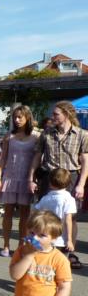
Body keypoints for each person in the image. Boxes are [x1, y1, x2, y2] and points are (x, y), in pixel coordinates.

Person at [29, 101, 88, 250]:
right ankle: (44, 249)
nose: (52, 116)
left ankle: (69, 249)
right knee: (44, 216)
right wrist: (31, 179)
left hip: (71, 177)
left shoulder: (82, 134)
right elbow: (37, 157)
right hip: (48, 177)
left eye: (56, 114)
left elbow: (85, 161)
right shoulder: (46, 133)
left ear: (66, 115)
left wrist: (81, 184)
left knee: (71, 217)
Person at [0, 105, 39, 257]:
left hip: (26, 179)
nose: (17, 120)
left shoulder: (36, 136)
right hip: (9, 177)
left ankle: (21, 246)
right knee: (7, 213)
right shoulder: (9, 136)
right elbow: (3, 158)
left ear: (27, 117)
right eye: (14, 117)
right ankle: (6, 245)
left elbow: (38, 158)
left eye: (20, 117)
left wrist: (34, 179)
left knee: (24, 215)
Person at [34, 169, 77, 257]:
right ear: (69, 183)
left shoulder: (45, 198)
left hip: (45, 238)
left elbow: (35, 214)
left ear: (50, 183)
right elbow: (68, 220)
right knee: (60, 262)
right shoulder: (69, 199)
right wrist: (69, 240)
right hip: (61, 240)